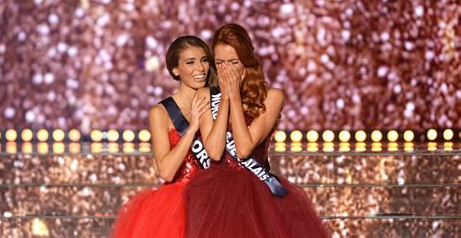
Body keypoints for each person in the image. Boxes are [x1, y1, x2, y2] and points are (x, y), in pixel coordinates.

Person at [184, 24, 330, 237]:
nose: (226, 70)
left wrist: (234, 96)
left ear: (246, 62)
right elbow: (214, 152)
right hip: (214, 197)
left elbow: (243, 149)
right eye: (220, 63)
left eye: (233, 63)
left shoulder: (271, 97)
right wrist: (225, 97)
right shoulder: (206, 95)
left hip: (258, 195)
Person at [112, 36, 216, 237]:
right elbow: (166, 171)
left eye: (204, 60)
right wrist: (192, 127)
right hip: (178, 206)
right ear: (175, 70)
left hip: (216, 199)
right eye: (190, 62)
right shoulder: (162, 112)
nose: (200, 68)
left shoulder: (218, 102)